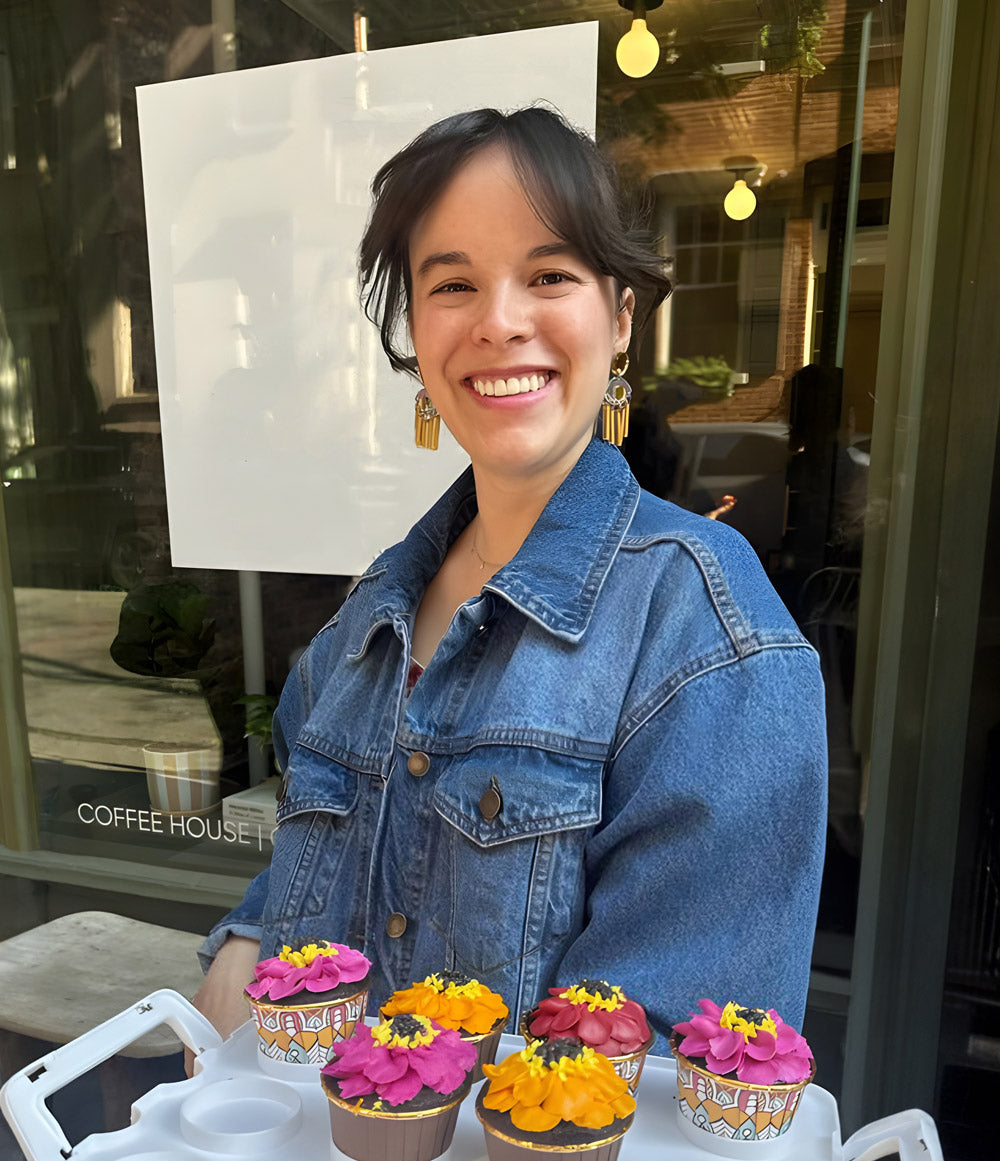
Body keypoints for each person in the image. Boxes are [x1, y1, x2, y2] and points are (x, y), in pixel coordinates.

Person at [191, 107, 827, 1061]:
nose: (498, 321)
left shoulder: (702, 625)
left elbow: (658, 1070)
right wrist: (248, 944)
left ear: (618, 320)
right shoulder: (369, 618)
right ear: (415, 331)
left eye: (549, 275)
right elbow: (313, 885)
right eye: (453, 284)